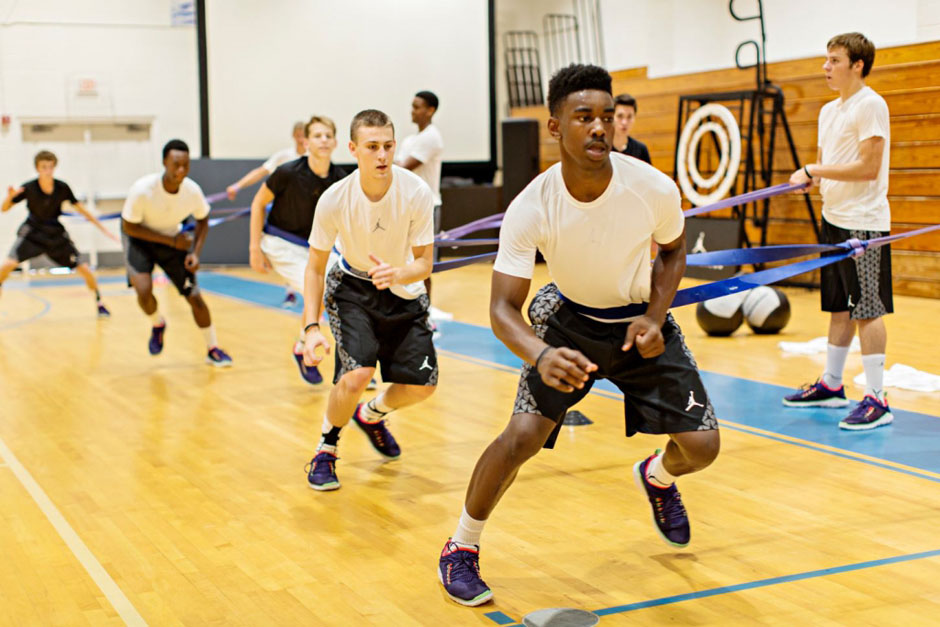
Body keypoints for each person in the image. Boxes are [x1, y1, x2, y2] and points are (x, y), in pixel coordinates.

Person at [436, 64, 720, 606]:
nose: (598, 128)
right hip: (566, 322)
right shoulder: (531, 205)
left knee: (703, 448)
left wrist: (657, 316)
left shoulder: (652, 187)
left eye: (606, 118)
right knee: (520, 438)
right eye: (583, 117)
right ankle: (460, 547)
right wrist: (539, 353)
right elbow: (501, 307)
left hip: (639, 324)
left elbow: (675, 250)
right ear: (554, 127)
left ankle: (657, 476)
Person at [301, 109, 437, 491]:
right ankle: (326, 447)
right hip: (352, 289)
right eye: (372, 147)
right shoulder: (334, 199)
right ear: (353, 149)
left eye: (388, 146)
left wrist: (400, 272)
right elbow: (314, 268)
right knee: (358, 373)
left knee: (423, 387)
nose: (382, 155)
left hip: (402, 290)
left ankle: (372, 415)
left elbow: (425, 262)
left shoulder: (416, 192)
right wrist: (310, 328)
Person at [783, 33, 893, 431]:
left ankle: (878, 398)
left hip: (864, 221)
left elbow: (867, 167)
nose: (826, 67)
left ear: (857, 65)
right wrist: (812, 179)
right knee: (839, 306)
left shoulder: (871, 105)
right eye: (826, 60)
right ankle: (832, 384)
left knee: (868, 309)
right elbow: (828, 163)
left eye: (834, 60)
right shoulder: (828, 111)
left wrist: (815, 171)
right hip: (834, 217)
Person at [248, 115, 346, 385]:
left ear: (336, 142)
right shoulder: (287, 172)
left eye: (328, 135)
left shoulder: (341, 179)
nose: (323, 140)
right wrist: (254, 248)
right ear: (305, 142)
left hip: (317, 247)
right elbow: (258, 204)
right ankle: (310, 344)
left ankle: (305, 345)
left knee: (342, 289)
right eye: (317, 135)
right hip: (281, 242)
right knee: (316, 288)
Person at [122, 139, 232, 367]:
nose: (181, 170)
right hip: (139, 240)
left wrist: (196, 253)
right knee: (143, 291)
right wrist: (172, 241)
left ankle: (212, 348)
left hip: (173, 243)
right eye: (175, 164)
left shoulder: (192, 191)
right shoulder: (142, 190)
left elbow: (203, 220)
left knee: (195, 298)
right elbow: (129, 227)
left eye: (185, 165)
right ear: (164, 162)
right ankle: (157, 323)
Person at [0, 150, 117, 317]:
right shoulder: (28, 188)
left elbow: (81, 209)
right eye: (43, 167)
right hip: (32, 232)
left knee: (85, 269)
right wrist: (9, 197)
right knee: (5, 267)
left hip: (55, 234)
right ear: (37, 168)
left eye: (50, 167)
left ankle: (99, 302)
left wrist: (102, 228)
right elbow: (4, 208)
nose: (47, 170)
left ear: (54, 167)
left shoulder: (62, 187)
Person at [228, 120, 309, 308]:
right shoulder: (284, 157)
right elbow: (261, 172)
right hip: (285, 216)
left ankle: (311, 307)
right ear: (294, 136)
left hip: (307, 215)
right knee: (290, 253)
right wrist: (238, 186)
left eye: (304, 134)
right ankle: (291, 293)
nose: (301, 138)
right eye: (298, 134)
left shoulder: (317, 160)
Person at [394, 90, 448, 319]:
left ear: (430, 110)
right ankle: (412, 306)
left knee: (423, 261)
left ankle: (425, 310)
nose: (412, 111)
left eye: (417, 107)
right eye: (412, 106)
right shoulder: (409, 140)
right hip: (408, 206)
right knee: (407, 258)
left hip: (428, 206)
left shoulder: (431, 137)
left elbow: (402, 167)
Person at [612, 93, 651, 164]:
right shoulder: (603, 148)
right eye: (620, 116)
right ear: (612, 117)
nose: (624, 122)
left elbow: (649, 175)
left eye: (629, 117)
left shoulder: (641, 149)